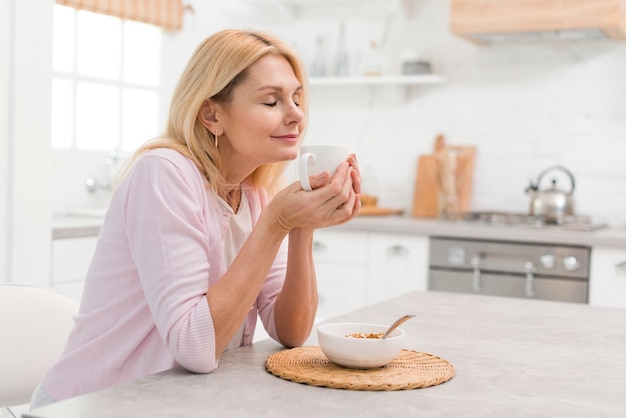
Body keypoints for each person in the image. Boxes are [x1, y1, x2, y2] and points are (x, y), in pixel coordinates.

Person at [31, 28, 361, 408]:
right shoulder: (164, 173)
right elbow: (196, 346)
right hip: (93, 404)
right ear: (211, 114)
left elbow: (291, 331)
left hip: (173, 402)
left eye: (297, 99)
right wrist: (275, 224)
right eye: (272, 102)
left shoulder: (255, 192)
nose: (296, 116)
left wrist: (302, 226)